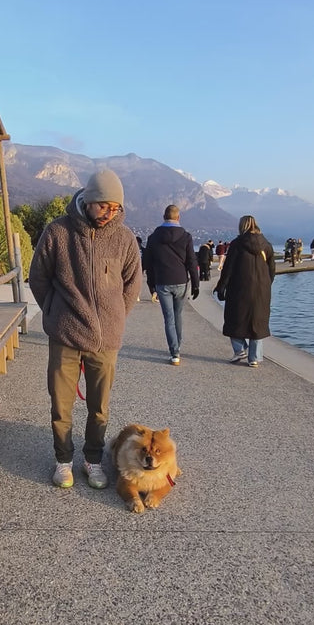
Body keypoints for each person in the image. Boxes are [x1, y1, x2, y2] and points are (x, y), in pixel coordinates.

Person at [28, 169, 142, 490]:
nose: (109, 212)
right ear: (88, 200)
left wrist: (115, 316)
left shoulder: (124, 238)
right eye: (103, 205)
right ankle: (63, 461)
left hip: (106, 340)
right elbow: (38, 277)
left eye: (115, 207)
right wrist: (53, 312)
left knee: (99, 407)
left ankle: (92, 460)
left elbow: (132, 285)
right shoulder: (58, 232)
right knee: (61, 404)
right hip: (65, 336)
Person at [213, 214, 275, 368]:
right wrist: (266, 285)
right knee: (257, 322)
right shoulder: (266, 245)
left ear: (242, 226)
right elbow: (272, 269)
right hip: (262, 290)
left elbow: (228, 269)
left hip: (239, 288)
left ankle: (240, 350)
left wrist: (221, 287)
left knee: (234, 319)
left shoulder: (236, 244)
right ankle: (254, 358)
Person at [144, 204, 199, 365]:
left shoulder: (153, 237)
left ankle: (174, 352)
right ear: (178, 217)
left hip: (162, 282)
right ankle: (178, 346)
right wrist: (195, 284)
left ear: (164, 216)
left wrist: (151, 285)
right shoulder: (186, 236)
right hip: (181, 281)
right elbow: (191, 261)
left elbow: (148, 262)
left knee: (168, 318)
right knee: (178, 315)